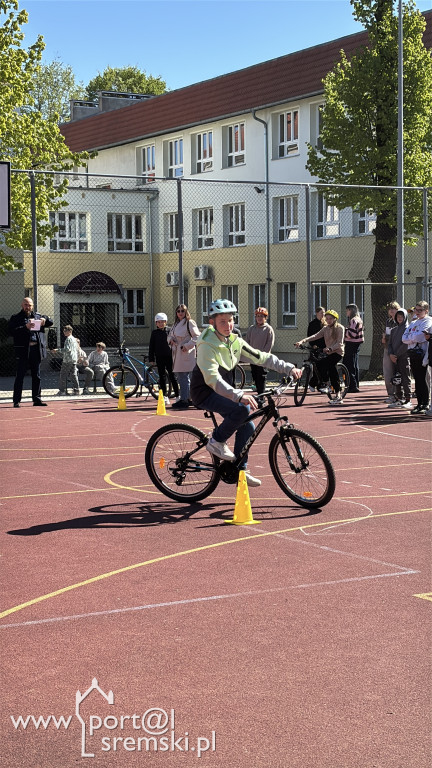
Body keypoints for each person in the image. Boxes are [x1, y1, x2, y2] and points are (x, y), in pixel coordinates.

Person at [190, 299, 302, 487]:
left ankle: (240, 471)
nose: (228, 325)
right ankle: (216, 441)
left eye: (231, 320)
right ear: (212, 323)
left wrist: (289, 368)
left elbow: (261, 357)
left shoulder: (234, 340)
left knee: (248, 425)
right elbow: (212, 379)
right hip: (205, 392)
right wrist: (238, 395)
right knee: (241, 410)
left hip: (225, 389)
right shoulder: (205, 345)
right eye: (223, 321)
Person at [8, 297, 53, 407]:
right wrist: (25, 327)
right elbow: (11, 331)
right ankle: (16, 400)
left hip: (36, 350)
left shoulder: (37, 316)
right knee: (20, 375)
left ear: (32, 306)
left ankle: (37, 399)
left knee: (36, 376)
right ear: (22, 305)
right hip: (23, 350)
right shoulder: (16, 317)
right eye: (26, 305)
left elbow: (50, 322)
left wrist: (44, 320)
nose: (27, 307)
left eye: (30, 305)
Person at [295, 309, 345, 405]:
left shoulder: (340, 328)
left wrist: (330, 348)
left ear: (335, 319)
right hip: (328, 352)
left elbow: (340, 343)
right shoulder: (325, 329)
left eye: (330, 319)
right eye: (327, 319)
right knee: (318, 363)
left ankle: (338, 395)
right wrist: (302, 341)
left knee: (330, 366)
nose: (328, 320)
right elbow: (315, 336)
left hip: (337, 352)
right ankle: (325, 383)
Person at [402, 300, 432, 415]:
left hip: (423, 354)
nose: (417, 312)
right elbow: (404, 337)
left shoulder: (428, 321)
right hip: (413, 353)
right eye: (416, 310)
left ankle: (425, 403)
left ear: (426, 311)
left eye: (420, 310)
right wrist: (412, 337)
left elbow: (421, 337)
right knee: (417, 380)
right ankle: (419, 403)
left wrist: (412, 338)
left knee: (422, 379)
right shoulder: (414, 322)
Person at [168, 304, 200, 409]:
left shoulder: (189, 322)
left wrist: (187, 346)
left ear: (186, 312)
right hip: (177, 353)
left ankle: (184, 399)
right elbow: (169, 336)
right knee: (183, 377)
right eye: (178, 311)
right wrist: (170, 340)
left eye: (182, 311)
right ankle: (189, 398)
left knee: (183, 377)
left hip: (185, 353)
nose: (180, 313)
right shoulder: (175, 324)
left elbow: (197, 337)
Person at [148, 312, 180, 405]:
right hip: (159, 357)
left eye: (163, 322)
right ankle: (164, 396)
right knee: (162, 377)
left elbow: (175, 342)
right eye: (159, 322)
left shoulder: (170, 331)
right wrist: (151, 358)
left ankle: (178, 396)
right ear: (156, 323)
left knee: (172, 376)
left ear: (166, 322)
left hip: (170, 357)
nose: (161, 323)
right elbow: (152, 346)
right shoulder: (154, 333)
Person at [245, 307, 275, 396]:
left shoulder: (268, 329)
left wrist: (263, 355)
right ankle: (259, 393)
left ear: (265, 318)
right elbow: (247, 342)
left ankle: (261, 396)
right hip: (253, 357)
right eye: (257, 316)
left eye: (261, 316)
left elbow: (269, 343)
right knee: (255, 375)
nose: (259, 318)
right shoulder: (251, 329)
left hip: (263, 358)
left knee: (261, 376)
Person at [387, 309, 412, 410]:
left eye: (401, 316)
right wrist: (391, 354)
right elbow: (389, 344)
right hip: (394, 359)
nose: (400, 318)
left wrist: (396, 355)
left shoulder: (408, 329)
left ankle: (408, 399)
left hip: (404, 357)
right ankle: (398, 398)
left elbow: (405, 344)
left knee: (405, 377)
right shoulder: (394, 330)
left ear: (405, 317)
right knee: (396, 378)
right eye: (398, 317)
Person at [343, 303, 364, 393]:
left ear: (350, 310)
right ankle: (355, 384)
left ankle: (352, 385)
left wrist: (344, 330)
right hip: (357, 344)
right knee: (355, 365)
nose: (346, 312)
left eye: (347, 310)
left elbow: (352, 334)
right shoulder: (358, 320)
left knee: (349, 364)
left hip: (351, 344)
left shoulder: (353, 320)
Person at [382, 301, 401, 403]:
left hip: (397, 349)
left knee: (397, 372)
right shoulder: (388, 321)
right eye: (390, 309)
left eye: (394, 308)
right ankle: (391, 394)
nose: (391, 311)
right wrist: (384, 337)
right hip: (388, 349)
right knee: (387, 372)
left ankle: (399, 394)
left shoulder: (400, 321)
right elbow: (386, 333)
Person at [306, 307, 326, 390]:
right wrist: (313, 345)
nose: (323, 314)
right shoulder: (312, 324)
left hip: (324, 347)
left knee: (323, 366)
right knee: (317, 366)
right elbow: (310, 336)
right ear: (317, 313)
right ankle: (313, 383)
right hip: (316, 347)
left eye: (324, 313)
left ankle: (320, 384)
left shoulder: (325, 324)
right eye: (321, 313)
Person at [56, 326, 80, 396]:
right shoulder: (74, 339)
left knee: (63, 374)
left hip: (67, 359)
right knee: (73, 375)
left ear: (69, 331)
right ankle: (76, 390)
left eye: (65, 331)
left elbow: (67, 349)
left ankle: (62, 391)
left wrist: (58, 350)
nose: (64, 332)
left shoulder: (68, 339)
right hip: (73, 359)